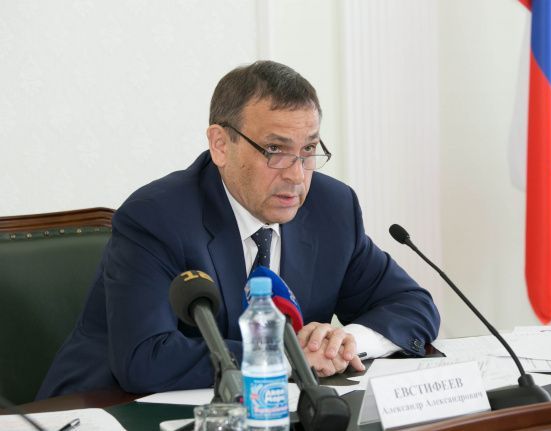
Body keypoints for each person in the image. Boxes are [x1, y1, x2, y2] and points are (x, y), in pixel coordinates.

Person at [37, 61, 440, 399]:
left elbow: (412, 305)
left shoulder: (331, 209)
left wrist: (347, 341)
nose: (297, 176)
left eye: (308, 150)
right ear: (220, 145)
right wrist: (288, 356)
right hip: (107, 410)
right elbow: (147, 358)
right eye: (275, 150)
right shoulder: (157, 217)